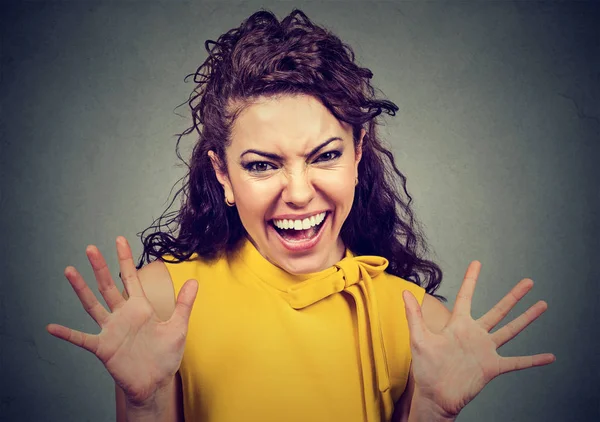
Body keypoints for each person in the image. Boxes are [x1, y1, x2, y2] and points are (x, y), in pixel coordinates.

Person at [46, 9, 555, 422]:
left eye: (325, 156)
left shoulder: (421, 325)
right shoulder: (159, 304)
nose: (298, 193)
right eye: (262, 165)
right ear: (222, 173)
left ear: (358, 152)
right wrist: (144, 404)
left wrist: (430, 414)